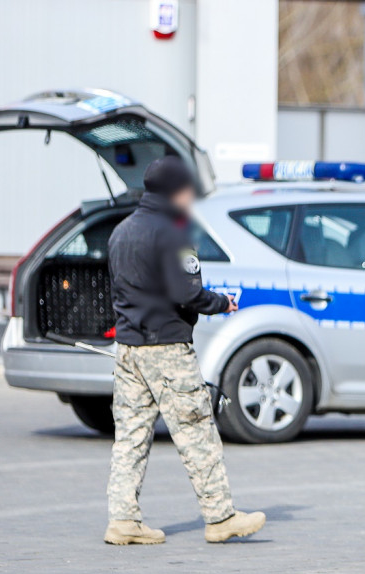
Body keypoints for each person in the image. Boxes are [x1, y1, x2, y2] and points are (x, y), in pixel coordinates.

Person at [105, 156, 265, 545]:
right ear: (177, 190)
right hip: (167, 349)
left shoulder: (121, 231)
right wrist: (222, 303)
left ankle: (123, 520)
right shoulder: (174, 233)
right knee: (196, 431)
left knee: (130, 435)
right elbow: (186, 293)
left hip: (128, 348)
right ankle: (220, 517)